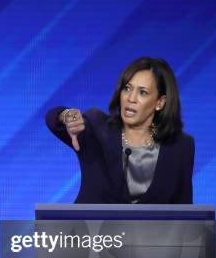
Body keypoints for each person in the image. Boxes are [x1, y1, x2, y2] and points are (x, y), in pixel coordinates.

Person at [45, 57, 194, 204]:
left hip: (151, 229)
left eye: (142, 92)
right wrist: (65, 116)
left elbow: (185, 211)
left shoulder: (181, 146)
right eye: (127, 88)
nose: (131, 98)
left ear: (160, 102)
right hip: (88, 227)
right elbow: (52, 119)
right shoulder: (97, 128)